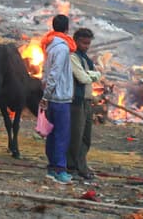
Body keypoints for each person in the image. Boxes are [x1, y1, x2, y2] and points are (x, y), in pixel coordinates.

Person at [41, 14, 75, 184]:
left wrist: (45, 93)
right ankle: (59, 170)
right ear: (67, 28)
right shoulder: (62, 48)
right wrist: (47, 95)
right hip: (59, 97)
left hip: (52, 95)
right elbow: (54, 73)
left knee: (52, 134)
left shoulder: (50, 45)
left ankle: (52, 167)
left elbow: (45, 72)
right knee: (61, 134)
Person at [68, 28, 102, 182]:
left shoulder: (85, 58)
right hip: (76, 101)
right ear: (76, 41)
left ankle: (82, 165)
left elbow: (96, 74)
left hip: (87, 101)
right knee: (75, 136)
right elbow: (82, 78)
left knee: (86, 137)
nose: (86, 46)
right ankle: (71, 167)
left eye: (88, 43)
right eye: (84, 43)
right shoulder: (73, 57)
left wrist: (92, 75)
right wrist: (92, 76)